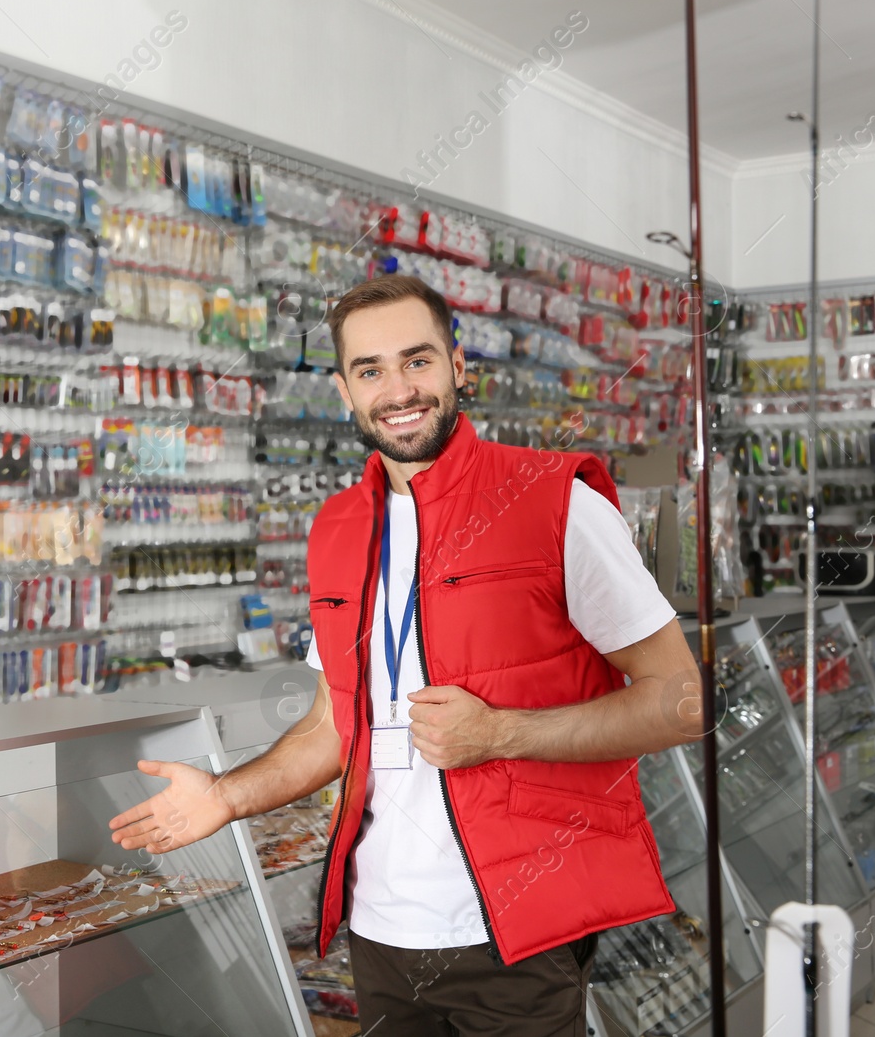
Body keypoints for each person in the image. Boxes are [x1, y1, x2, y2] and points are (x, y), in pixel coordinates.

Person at [109, 275, 703, 1036]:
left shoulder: (555, 501)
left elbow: (680, 700)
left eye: (417, 360)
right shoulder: (335, 529)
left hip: (515, 935)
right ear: (344, 392)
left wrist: (501, 733)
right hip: (380, 933)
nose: (398, 389)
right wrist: (224, 797)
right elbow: (334, 726)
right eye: (371, 370)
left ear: (459, 364)